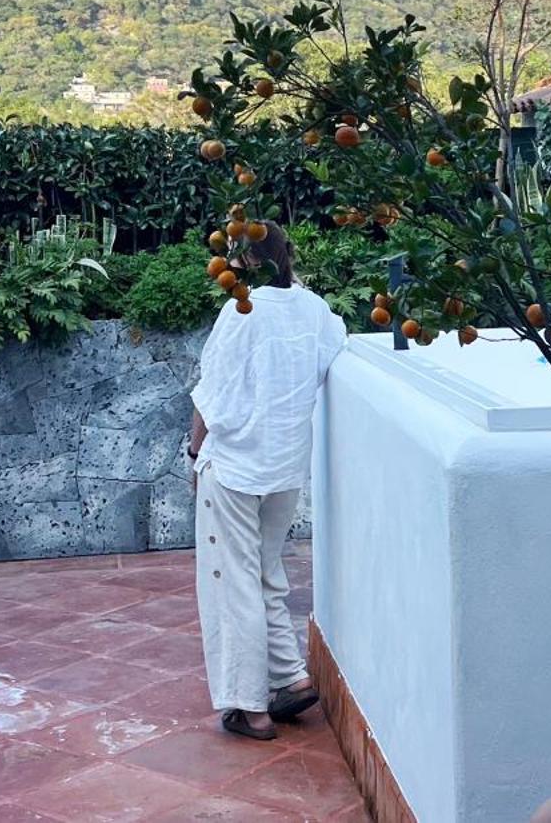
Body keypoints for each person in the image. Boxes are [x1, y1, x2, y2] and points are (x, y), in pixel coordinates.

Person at [187, 220, 348, 740]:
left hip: (235, 467)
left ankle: (251, 706)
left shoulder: (241, 311)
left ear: (247, 262)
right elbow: (333, 352)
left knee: (231, 581)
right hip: (284, 466)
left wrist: (195, 452)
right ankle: (289, 675)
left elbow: (211, 392)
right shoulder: (315, 309)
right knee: (264, 573)